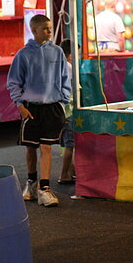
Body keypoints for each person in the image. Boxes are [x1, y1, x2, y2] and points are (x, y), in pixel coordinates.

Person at [7, 14, 71, 207]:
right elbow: (14, 82)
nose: (49, 31)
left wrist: (62, 103)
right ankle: (31, 182)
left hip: (53, 107)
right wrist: (20, 105)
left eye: (50, 28)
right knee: (31, 147)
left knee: (47, 147)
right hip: (31, 108)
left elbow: (65, 78)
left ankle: (44, 188)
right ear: (34, 30)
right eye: (45, 28)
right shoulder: (23, 54)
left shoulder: (58, 52)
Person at [58, 39, 76, 185]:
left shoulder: (57, 66)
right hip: (68, 111)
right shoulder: (68, 67)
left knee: (66, 144)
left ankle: (71, 172)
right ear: (70, 54)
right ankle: (64, 174)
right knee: (70, 145)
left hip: (60, 111)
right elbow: (71, 90)